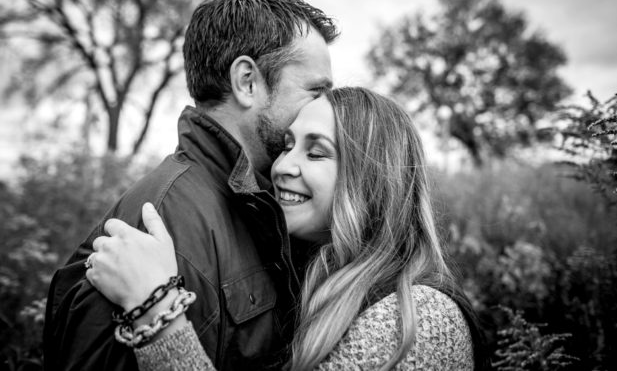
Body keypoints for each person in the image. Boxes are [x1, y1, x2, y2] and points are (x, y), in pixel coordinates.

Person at [43, 0, 338, 371]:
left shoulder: (267, 206)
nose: (324, 108)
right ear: (248, 81)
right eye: (315, 91)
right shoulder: (161, 223)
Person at [87, 88, 487, 370]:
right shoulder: (316, 286)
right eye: (285, 146)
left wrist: (156, 310)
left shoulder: (417, 321)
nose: (281, 167)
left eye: (316, 152)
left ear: (373, 180)